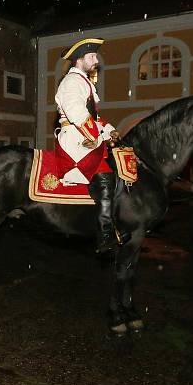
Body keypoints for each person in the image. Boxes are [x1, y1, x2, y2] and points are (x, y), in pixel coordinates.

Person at [55, 37, 121, 254]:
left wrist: (109, 129)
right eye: (91, 56)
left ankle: (108, 226)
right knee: (105, 178)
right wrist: (94, 135)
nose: (96, 60)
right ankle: (104, 236)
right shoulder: (72, 82)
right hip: (75, 138)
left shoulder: (84, 81)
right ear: (79, 59)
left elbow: (94, 116)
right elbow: (76, 112)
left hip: (83, 134)